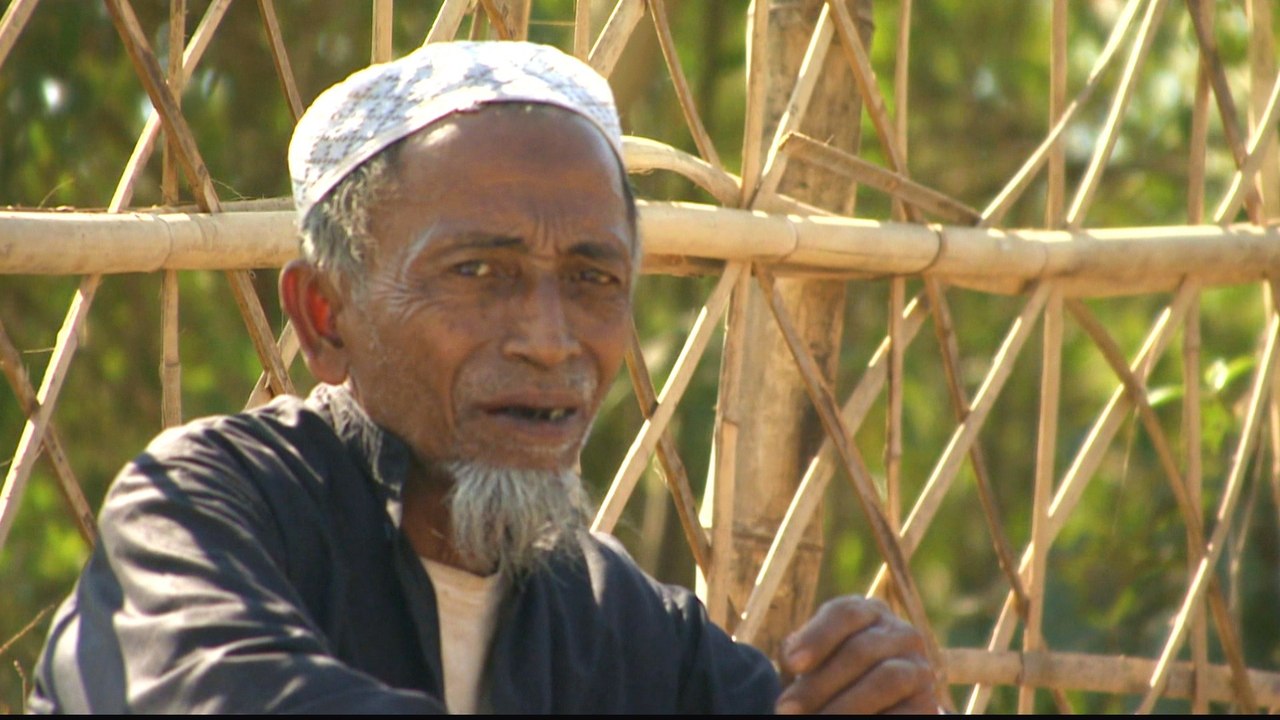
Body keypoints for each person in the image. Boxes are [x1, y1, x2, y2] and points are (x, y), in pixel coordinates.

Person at [29, 41, 937, 714]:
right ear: (325, 316)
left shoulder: (621, 623)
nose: (550, 340)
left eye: (592, 280)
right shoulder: (205, 505)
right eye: (477, 273)